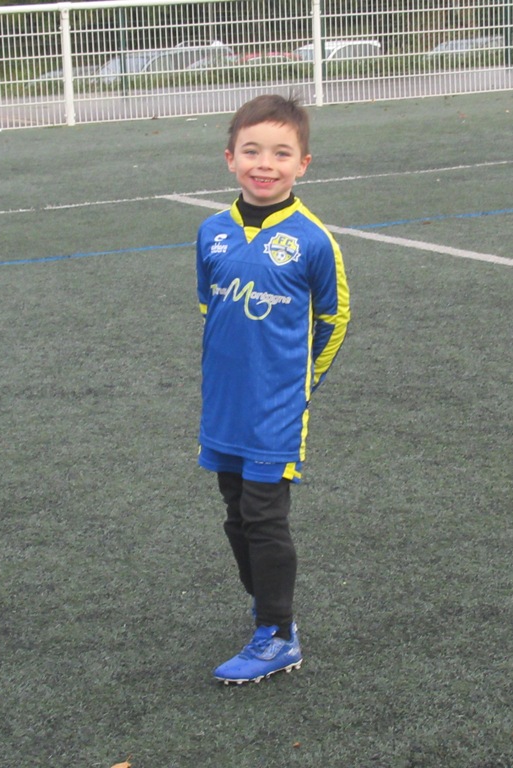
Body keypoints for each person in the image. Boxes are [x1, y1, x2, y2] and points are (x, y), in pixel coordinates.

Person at [196, 94, 351, 684]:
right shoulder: (211, 233)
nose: (265, 164)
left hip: (277, 408)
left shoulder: (313, 240)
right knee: (236, 514)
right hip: (224, 405)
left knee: (263, 516)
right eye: (252, 151)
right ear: (230, 158)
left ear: (303, 164)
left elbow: (335, 319)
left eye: (281, 153)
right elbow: (209, 308)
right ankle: (266, 609)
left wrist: (300, 386)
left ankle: (278, 634)